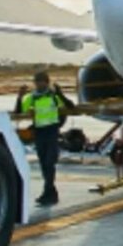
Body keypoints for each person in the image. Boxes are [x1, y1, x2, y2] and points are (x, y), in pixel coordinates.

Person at [15, 71, 75, 206]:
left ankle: (48, 193)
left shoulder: (53, 96)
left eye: (40, 82)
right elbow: (18, 111)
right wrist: (19, 97)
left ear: (46, 82)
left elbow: (71, 106)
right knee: (44, 165)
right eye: (35, 82)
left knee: (49, 163)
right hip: (40, 133)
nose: (37, 84)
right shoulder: (32, 98)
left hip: (52, 132)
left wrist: (60, 94)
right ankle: (50, 194)